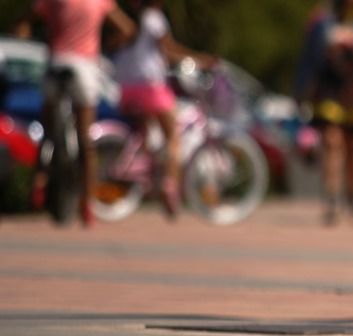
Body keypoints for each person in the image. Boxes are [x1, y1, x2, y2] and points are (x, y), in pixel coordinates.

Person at [14, 0, 135, 227]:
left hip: (56, 63)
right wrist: (110, 44)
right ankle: (87, 204)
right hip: (84, 67)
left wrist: (27, 34)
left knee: (48, 132)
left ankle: (39, 182)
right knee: (85, 140)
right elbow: (127, 28)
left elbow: (24, 22)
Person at [113, 0, 215, 220]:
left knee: (147, 134)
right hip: (149, 86)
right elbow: (169, 50)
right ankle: (170, 184)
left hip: (125, 87)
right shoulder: (154, 19)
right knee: (173, 137)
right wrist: (200, 60)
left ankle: (146, 172)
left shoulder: (134, 22)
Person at [294, 0, 353, 225]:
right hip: (330, 94)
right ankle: (331, 200)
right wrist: (300, 90)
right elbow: (309, 60)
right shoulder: (323, 26)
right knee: (333, 143)